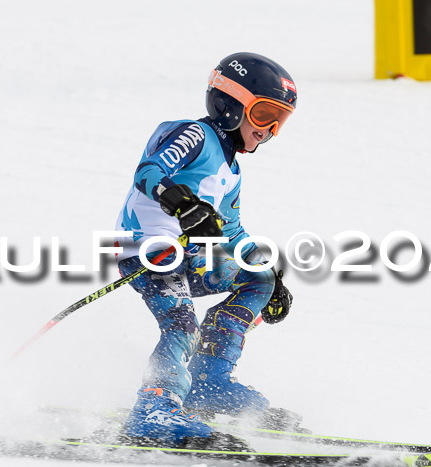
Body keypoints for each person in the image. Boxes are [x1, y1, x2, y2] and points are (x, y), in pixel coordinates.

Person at [114, 52, 296, 447]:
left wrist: (270, 274)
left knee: (256, 278)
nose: (268, 130)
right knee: (181, 324)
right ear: (230, 103)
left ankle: (208, 382)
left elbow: (231, 230)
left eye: (278, 122)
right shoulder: (192, 135)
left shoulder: (231, 170)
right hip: (148, 247)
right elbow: (149, 172)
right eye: (263, 114)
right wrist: (182, 204)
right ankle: (154, 410)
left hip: (190, 257)